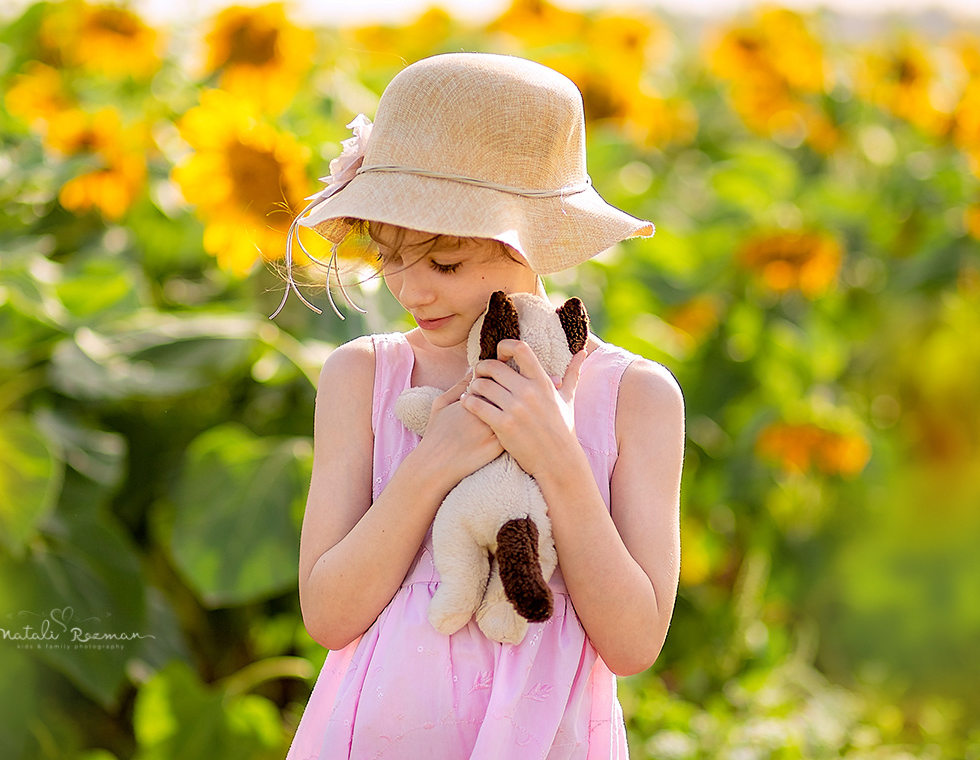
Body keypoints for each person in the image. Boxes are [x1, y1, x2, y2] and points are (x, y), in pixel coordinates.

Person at [283, 53, 685, 759]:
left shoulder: (635, 397)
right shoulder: (363, 376)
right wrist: (434, 460)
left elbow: (634, 642)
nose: (412, 292)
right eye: (387, 256)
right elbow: (328, 614)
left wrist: (558, 459)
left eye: (444, 264)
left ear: (533, 236)